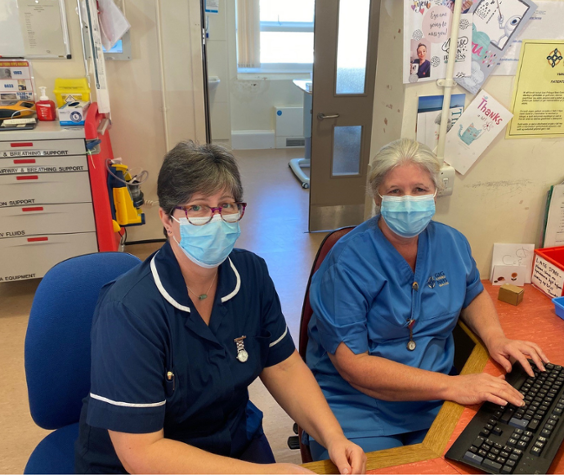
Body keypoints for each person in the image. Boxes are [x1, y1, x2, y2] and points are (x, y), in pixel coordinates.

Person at [75, 141, 365, 474]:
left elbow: (283, 366)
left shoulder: (251, 274)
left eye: (226, 205)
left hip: (229, 440)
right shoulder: (129, 309)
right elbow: (140, 453)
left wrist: (333, 437)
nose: (215, 219)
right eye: (197, 208)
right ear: (167, 219)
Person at [305, 139, 548, 460]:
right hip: (358, 408)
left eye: (420, 189)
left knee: (502, 453)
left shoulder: (451, 242)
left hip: (435, 403)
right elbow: (354, 366)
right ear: (377, 196)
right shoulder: (347, 261)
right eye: (395, 191)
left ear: (436, 191)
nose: (409, 200)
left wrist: (496, 338)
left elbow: (472, 294)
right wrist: (454, 386)